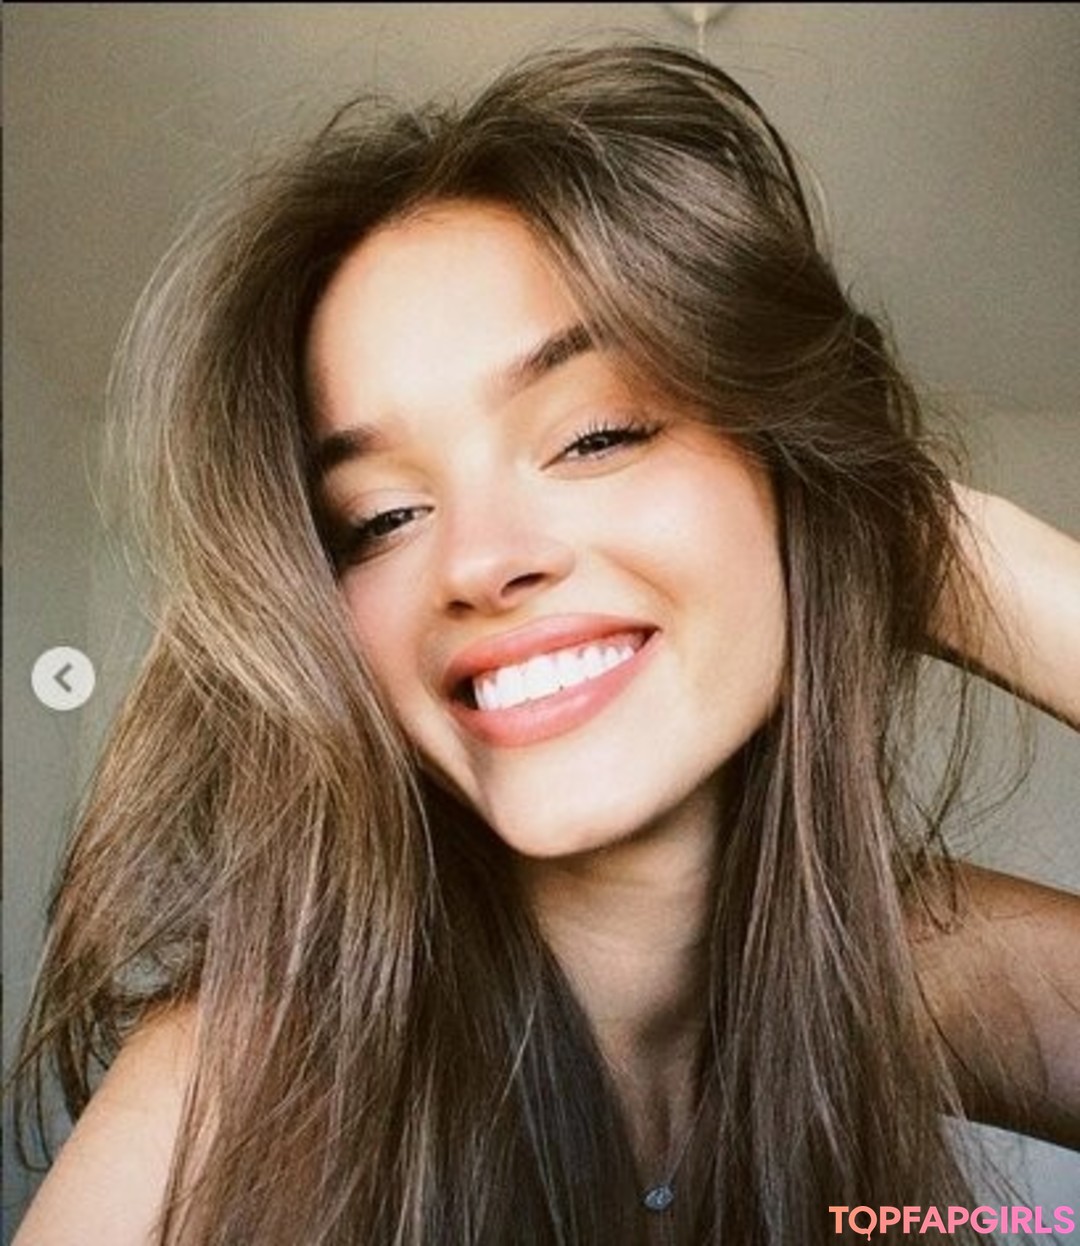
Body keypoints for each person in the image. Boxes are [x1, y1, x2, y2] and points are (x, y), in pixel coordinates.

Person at [10, 40, 1080, 1246]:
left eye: (596, 436)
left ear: (794, 472)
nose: (477, 562)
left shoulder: (906, 962)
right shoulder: (229, 1082)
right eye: (381, 518)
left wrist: (937, 547)